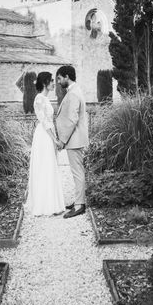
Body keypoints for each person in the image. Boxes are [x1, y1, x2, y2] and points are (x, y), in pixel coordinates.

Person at [25, 71, 65, 216]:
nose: (54, 83)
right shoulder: (39, 99)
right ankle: (44, 205)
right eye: (52, 81)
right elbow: (44, 121)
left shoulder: (46, 99)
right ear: (45, 83)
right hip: (43, 136)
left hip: (49, 134)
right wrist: (54, 139)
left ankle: (51, 202)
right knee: (45, 166)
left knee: (50, 165)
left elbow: (51, 122)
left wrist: (55, 137)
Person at [54, 65, 89, 219]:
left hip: (74, 139)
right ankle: (78, 201)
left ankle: (80, 205)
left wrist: (62, 140)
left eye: (60, 78)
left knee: (78, 172)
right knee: (77, 171)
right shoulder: (74, 91)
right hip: (75, 139)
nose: (58, 82)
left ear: (67, 76)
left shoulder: (73, 93)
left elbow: (72, 119)